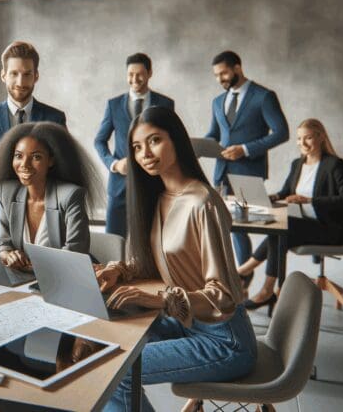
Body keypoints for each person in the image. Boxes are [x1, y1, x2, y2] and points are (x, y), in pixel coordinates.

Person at [96, 106, 257, 412]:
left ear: (177, 140)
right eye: (137, 147)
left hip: (224, 340)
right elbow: (156, 262)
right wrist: (118, 271)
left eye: (154, 140)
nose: (145, 154)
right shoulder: (158, 197)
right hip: (185, 323)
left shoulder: (203, 202)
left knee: (118, 370)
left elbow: (223, 296)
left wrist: (159, 300)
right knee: (104, 340)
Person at [237, 118, 343, 310]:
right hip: (305, 225)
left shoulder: (335, 164)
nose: (303, 143)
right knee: (279, 229)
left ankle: (247, 274)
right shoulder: (297, 164)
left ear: (321, 137)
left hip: (331, 230)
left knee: (285, 224)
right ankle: (264, 289)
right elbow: (285, 192)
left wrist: (309, 200)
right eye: (299, 139)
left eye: (308, 138)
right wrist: (269, 197)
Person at [0, 41, 67, 242]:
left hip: (44, 223)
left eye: (27, 74)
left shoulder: (55, 118)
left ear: (36, 76)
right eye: (14, 73)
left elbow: (64, 169)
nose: (20, 81)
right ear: (3, 75)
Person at [205, 50, 288, 270]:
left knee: (265, 227)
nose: (219, 79)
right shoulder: (217, 101)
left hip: (249, 172)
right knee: (230, 227)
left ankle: (247, 275)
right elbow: (214, 133)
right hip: (221, 174)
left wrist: (245, 149)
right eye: (216, 75)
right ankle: (243, 281)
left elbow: (282, 132)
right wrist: (202, 145)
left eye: (223, 73)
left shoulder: (263, 96)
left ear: (237, 68)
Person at [0, 122, 101, 271]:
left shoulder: (71, 195)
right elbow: (3, 243)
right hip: (24, 280)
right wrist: (9, 255)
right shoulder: (6, 191)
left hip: (66, 277)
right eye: (18, 156)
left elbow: (75, 253)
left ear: (51, 160)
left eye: (36, 157)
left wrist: (32, 267)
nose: (24, 164)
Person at [94, 52, 175, 237]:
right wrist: (113, 164)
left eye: (139, 74)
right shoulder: (113, 105)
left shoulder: (165, 104)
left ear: (149, 73)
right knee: (114, 241)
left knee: (154, 240)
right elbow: (99, 140)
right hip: (120, 185)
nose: (134, 79)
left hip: (155, 183)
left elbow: (171, 141)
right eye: (130, 74)